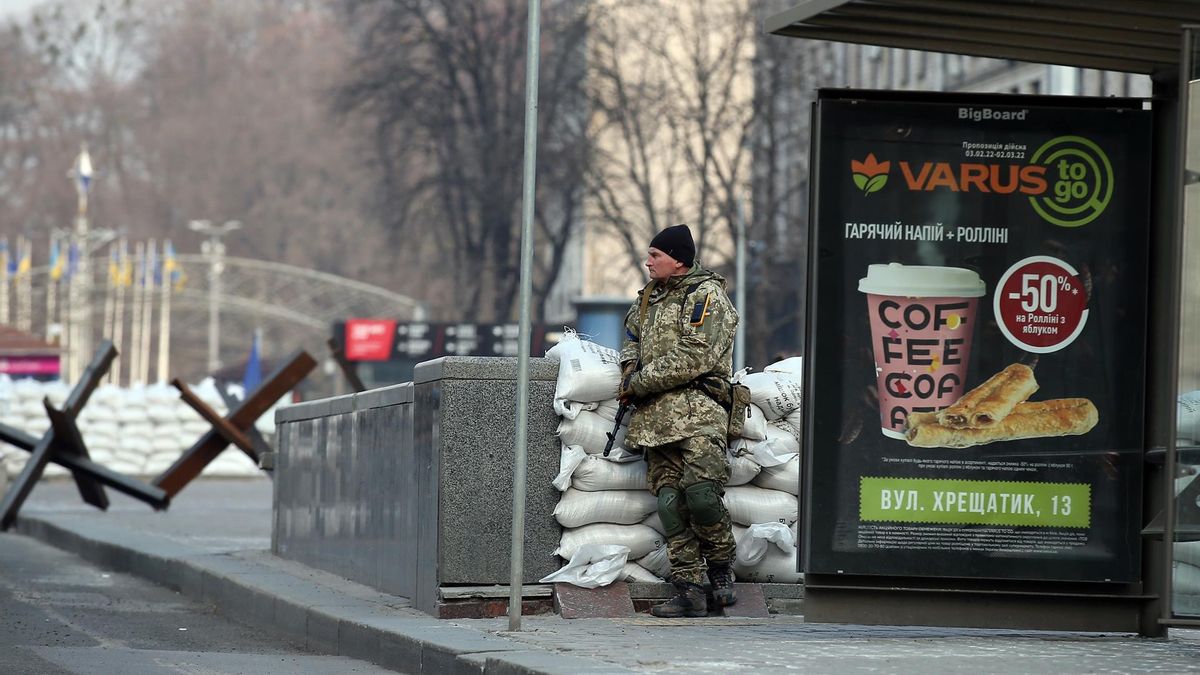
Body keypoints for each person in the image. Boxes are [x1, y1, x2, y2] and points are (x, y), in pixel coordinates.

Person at [618, 224, 739, 618]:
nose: (648, 262)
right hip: (655, 420)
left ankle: (720, 571)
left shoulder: (706, 296)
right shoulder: (647, 299)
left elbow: (695, 357)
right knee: (670, 504)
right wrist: (627, 372)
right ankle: (688, 587)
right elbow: (631, 341)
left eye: (655, 256)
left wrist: (638, 383)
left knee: (702, 495)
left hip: (699, 412)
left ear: (678, 260)